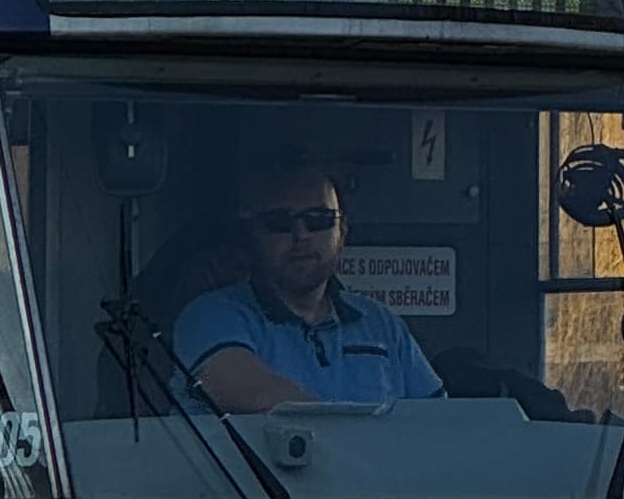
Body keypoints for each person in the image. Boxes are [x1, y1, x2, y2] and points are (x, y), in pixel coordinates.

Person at [177, 148, 444, 412]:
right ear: (254, 236)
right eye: (280, 222)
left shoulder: (383, 325)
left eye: (319, 220)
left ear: (342, 233)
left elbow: (438, 422)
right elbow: (247, 389)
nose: (301, 234)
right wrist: (356, 448)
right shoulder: (209, 315)